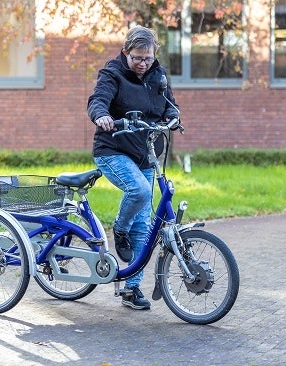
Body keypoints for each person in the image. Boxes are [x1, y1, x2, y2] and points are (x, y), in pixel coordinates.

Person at [87, 25, 179, 310]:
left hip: (146, 155)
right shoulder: (112, 73)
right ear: (126, 52)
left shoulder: (158, 77)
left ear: (154, 55)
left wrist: (174, 116)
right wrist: (101, 115)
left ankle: (131, 288)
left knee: (144, 226)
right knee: (138, 191)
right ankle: (120, 228)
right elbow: (97, 100)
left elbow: (169, 106)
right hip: (113, 150)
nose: (142, 64)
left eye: (147, 59)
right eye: (137, 58)